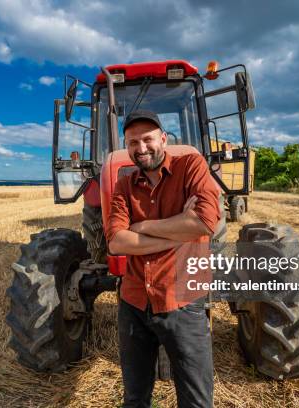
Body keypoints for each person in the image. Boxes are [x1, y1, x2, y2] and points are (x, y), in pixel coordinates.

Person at [105, 109, 221, 408]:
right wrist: (180, 226)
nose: (140, 148)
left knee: (196, 401)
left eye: (147, 139)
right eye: (132, 142)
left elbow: (204, 222)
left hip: (181, 298)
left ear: (163, 139)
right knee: (134, 398)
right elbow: (117, 242)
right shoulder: (123, 185)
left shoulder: (191, 164)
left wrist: (141, 227)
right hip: (133, 302)